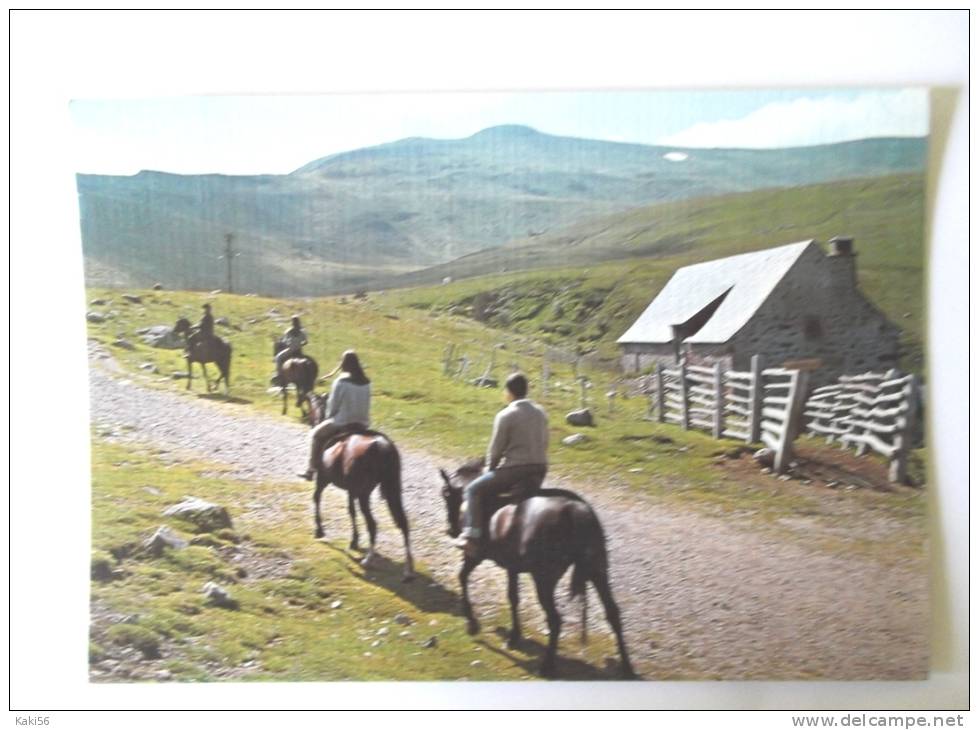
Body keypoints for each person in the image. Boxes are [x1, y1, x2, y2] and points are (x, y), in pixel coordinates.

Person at [452, 372, 549, 556]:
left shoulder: (506, 415)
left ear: (509, 392)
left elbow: (496, 450)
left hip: (516, 470)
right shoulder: (541, 413)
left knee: (473, 489)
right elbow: (545, 443)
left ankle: (471, 536)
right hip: (540, 468)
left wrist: (489, 469)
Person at [300, 350, 371, 480]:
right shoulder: (366, 382)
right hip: (363, 423)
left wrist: (328, 418)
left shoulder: (341, 382)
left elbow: (333, 406)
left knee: (316, 435)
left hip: (342, 421)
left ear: (344, 364)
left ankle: (311, 469)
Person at [274, 316, 308, 386]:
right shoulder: (303, 331)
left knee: (278, 357)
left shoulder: (289, 331)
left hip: (290, 350)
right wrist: (300, 344)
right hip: (299, 350)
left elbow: (285, 342)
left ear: (292, 322)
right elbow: (305, 342)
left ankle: (279, 374)